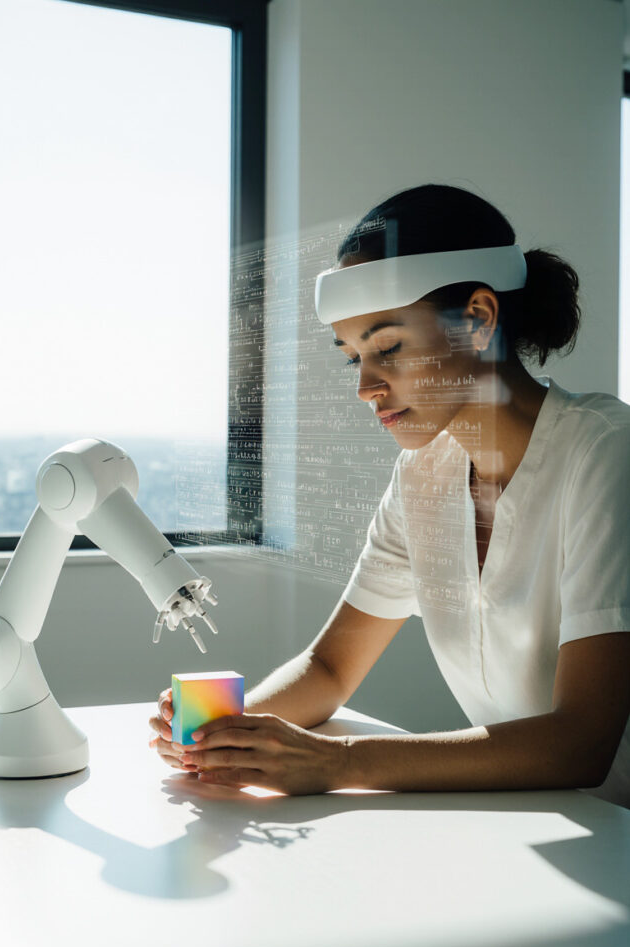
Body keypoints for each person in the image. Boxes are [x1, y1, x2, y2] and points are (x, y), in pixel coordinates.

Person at [149, 184, 630, 808]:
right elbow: (330, 669)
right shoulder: (423, 476)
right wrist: (222, 731)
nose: (367, 388)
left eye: (389, 349)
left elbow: (580, 744)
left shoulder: (605, 453)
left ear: (479, 320)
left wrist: (333, 761)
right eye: (354, 359)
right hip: (532, 828)